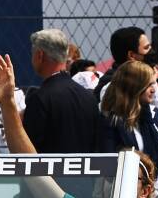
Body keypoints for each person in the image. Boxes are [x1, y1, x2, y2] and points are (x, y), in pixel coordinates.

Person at [0, 53, 158, 198]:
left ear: (144, 191)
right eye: (110, 175)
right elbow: (29, 165)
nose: (113, 182)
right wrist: (7, 102)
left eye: (126, 177)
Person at [99, 61, 158, 198]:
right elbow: (108, 168)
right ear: (133, 86)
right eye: (149, 84)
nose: (154, 90)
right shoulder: (112, 121)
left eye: (154, 84)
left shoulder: (156, 115)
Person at [22, 29, 102, 159]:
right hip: (86, 176)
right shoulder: (88, 97)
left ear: (40, 56)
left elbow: (28, 152)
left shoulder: (39, 98)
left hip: (49, 176)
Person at [94, 26, 152, 99]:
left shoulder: (143, 78)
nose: (151, 51)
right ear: (131, 55)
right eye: (146, 48)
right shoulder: (115, 85)